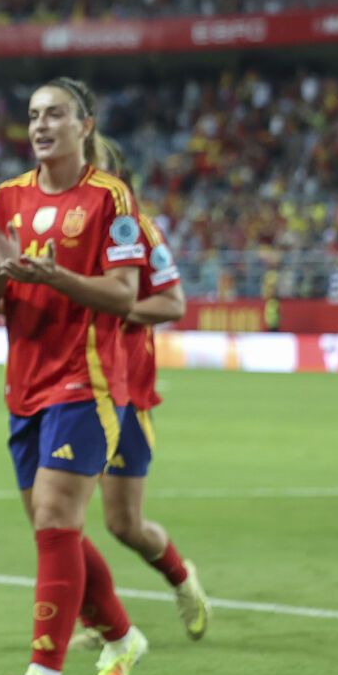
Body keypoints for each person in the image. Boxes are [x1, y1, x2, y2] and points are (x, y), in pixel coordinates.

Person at [0, 77, 149, 675]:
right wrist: (2, 272)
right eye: (34, 114)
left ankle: (45, 671)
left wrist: (53, 275)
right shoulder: (8, 196)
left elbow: (125, 296)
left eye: (56, 115)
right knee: (52, 525)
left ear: (85, 127)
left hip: (87, 379)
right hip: (25, 384)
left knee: (55, 517)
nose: (42, 125)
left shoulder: (109, 199)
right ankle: (121, 638)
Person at [80, 140, 211, 644]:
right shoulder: (64, 226)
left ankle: (182, 578)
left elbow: (173, 303)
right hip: (72, 389)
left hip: (125, 391)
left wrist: (114, 303)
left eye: (99, 170)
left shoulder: (137, 229)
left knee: (123, 524)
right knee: (59, 514)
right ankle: (102, 622)